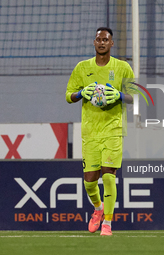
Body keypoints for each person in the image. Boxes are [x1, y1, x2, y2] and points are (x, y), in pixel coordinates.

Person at [65, 27, 134, 236]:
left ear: (112, 43)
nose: (102, 42)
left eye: (106, 39)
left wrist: (119, 95)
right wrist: (81, 93)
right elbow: (68, 96)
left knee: (109, 177)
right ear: (94, 42)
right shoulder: (82, 68)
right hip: (90, 132)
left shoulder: (122, 68)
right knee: (89, 182)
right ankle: (98, 209)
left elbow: (133, 96)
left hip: (113, 129)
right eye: (98, 39)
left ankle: (108, 224)